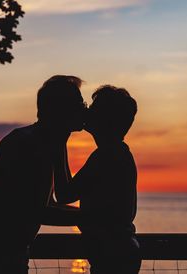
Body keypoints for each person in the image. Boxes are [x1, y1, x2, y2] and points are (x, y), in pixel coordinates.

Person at [0, 75, 87, 274]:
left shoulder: (50, 142)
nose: (83, 107)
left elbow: (51, 201)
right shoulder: (30, 145)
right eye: (78, 102)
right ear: (61, 109)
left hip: (4, 247)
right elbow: (37, 210)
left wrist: (87, 216)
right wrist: (93, 217)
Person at [53, 85, 141, 274]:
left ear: (105, 119)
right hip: (120, 253)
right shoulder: (115, 153)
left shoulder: (107, 156)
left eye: (94, 107)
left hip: (113, 257)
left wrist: (59, 140)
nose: (88, 110)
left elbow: (64, 194)